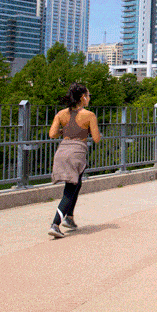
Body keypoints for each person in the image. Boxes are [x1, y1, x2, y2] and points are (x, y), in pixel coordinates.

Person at [47, 83, 102, 238]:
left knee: (76, 184)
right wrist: (88, 130)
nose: (89, 98)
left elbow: (52, 134)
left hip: (62, 150)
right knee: (70, 189)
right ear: (83, 97)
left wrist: (65, 130)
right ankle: (55, 224)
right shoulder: (89, 115)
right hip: (76, 152)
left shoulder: (61, 114)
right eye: (88, 95)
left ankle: (69, 218)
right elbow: (96, 139)